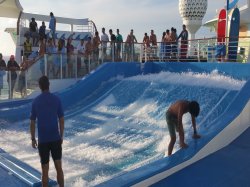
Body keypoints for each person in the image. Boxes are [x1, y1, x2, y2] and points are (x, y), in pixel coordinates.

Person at [30, 75, 64, 187]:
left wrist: (33, 138)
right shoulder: (56, 99)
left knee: (45, 171)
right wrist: (61, 136)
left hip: (43, 140)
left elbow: (32, 122)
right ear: (49, 85)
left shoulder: (36, 102)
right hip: (55, 138)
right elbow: (61, 119)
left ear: (40, 86)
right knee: (59, 167)